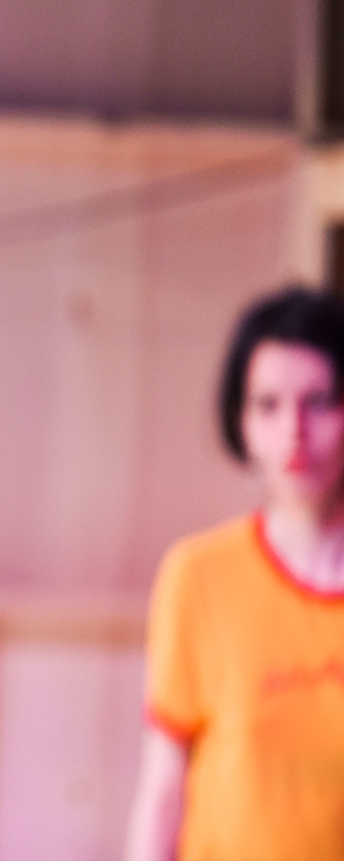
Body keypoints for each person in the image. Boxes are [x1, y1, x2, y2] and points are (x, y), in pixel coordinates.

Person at [125, 287, 344, 861]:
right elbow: (162, 790)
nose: (294, 429)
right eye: (268, 404)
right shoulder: (197, 576)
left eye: (319, 401)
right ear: (240, 421)